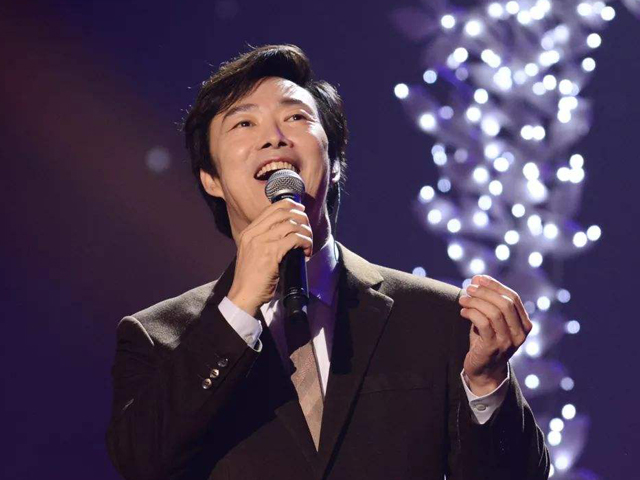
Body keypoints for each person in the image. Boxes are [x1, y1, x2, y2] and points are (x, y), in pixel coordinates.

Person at [106, 44, 549, 480]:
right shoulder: (158, 337)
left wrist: (486, 384)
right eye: (243, 123)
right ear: (212, 179)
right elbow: (142, 463)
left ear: (334, 162)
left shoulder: (438, 318)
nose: (273, 137)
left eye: (296, 118)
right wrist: (237, 308)